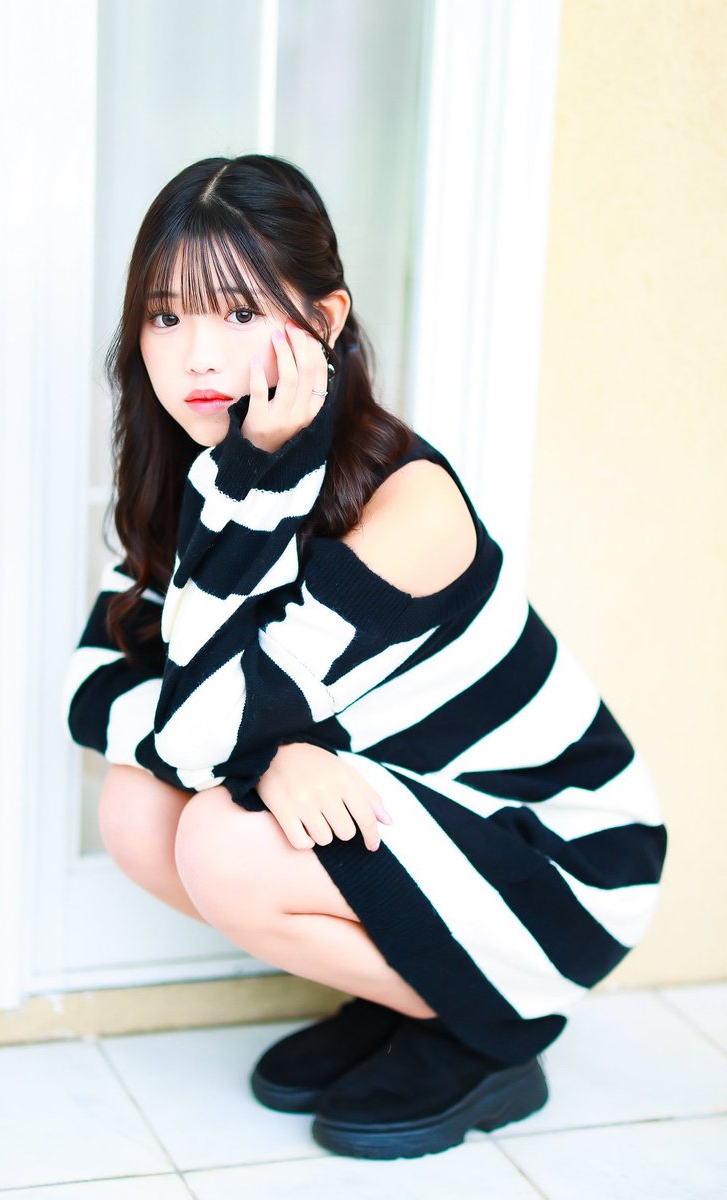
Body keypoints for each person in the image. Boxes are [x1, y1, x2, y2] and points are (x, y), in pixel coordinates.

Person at [61, 153, 668, 1160]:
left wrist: (253, 488)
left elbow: (204, 731)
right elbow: (94, 690)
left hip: (556, 860)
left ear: (324, 323)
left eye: (239, 313)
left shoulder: (405, 505)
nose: (197, 356)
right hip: (420, 825)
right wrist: (266, 750)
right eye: (165, 316)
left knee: (217, 836)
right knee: (135, 808)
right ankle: (415, 998)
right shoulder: (194, 478)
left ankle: (494, 1025)